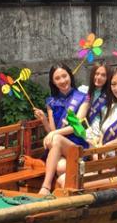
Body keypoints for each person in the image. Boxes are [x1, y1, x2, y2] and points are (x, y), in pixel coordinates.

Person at [34, 64, 88, 195]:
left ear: (70, 76)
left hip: (75, 145)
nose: (62, 81)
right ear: (53, 82)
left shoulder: (83, 98)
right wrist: (44, 120)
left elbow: (77, 126)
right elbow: (51, 131)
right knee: (60, 167)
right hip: (57, 148)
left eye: (64, 76)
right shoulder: (51, 102)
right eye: (57, 78)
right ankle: (66, 194)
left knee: (57, 139)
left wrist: (55, 133)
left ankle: (46, 187)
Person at [82, 61, 109, 147]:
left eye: (103, 75)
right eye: (96, 74)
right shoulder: (84, 91)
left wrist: (99, 139)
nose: (99, 77)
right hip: (86, 134)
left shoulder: (110, 95)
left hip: (102, 136)